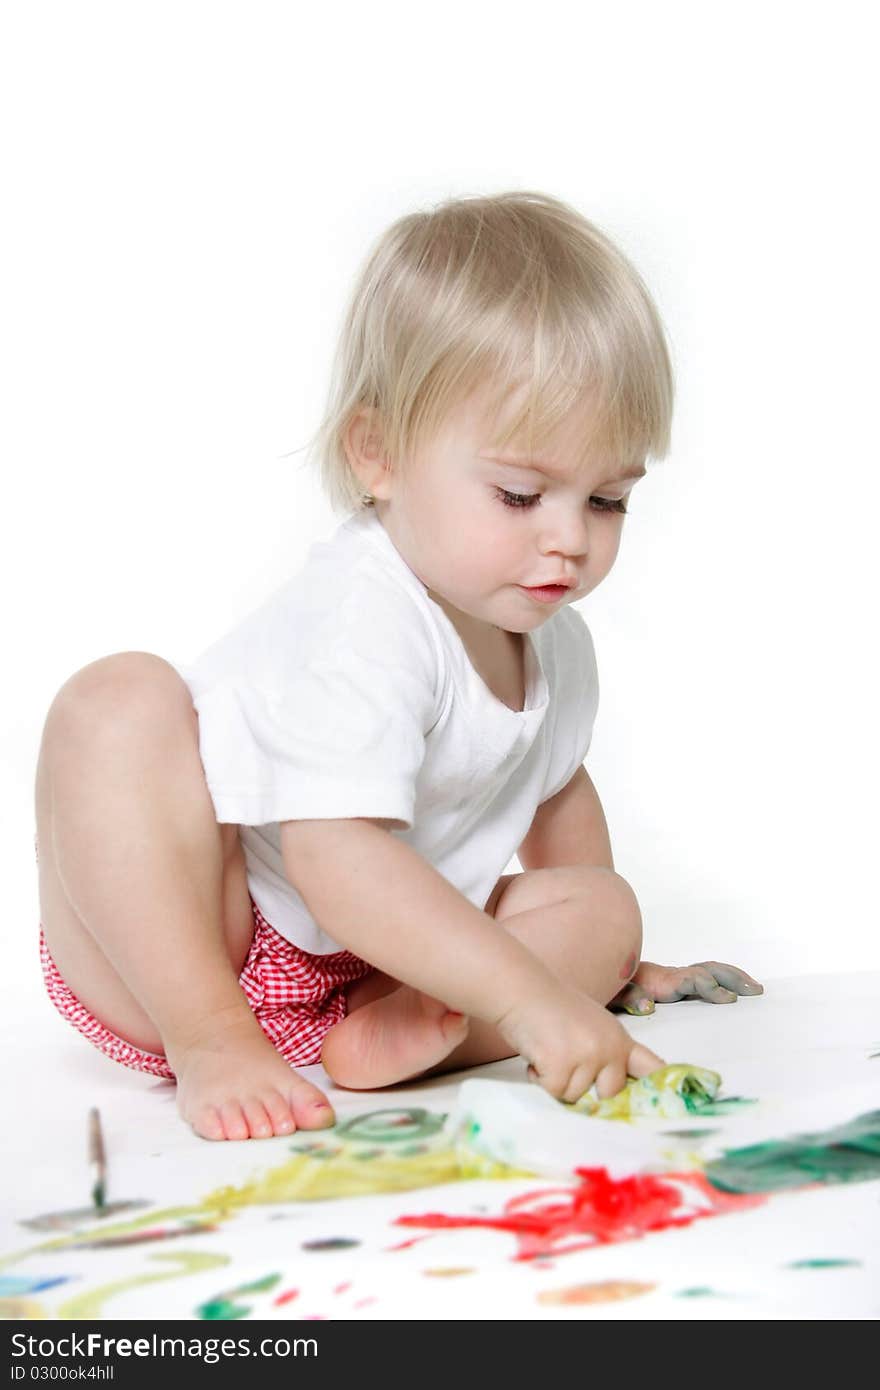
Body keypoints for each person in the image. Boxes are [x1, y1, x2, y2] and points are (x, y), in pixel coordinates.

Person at [34, 191, 762, 1143]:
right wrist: (534, 999)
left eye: (609, 500)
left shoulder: (551, 634)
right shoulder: (363, 612)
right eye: (520, 493)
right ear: (378, 453)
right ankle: (214, 1038)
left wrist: (595, 970)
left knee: (602, 907)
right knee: (115, 702)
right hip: (198, 935)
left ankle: (406, 1035)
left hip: (386, 965)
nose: (570, 541)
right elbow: (333, 858)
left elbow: (555, 797)